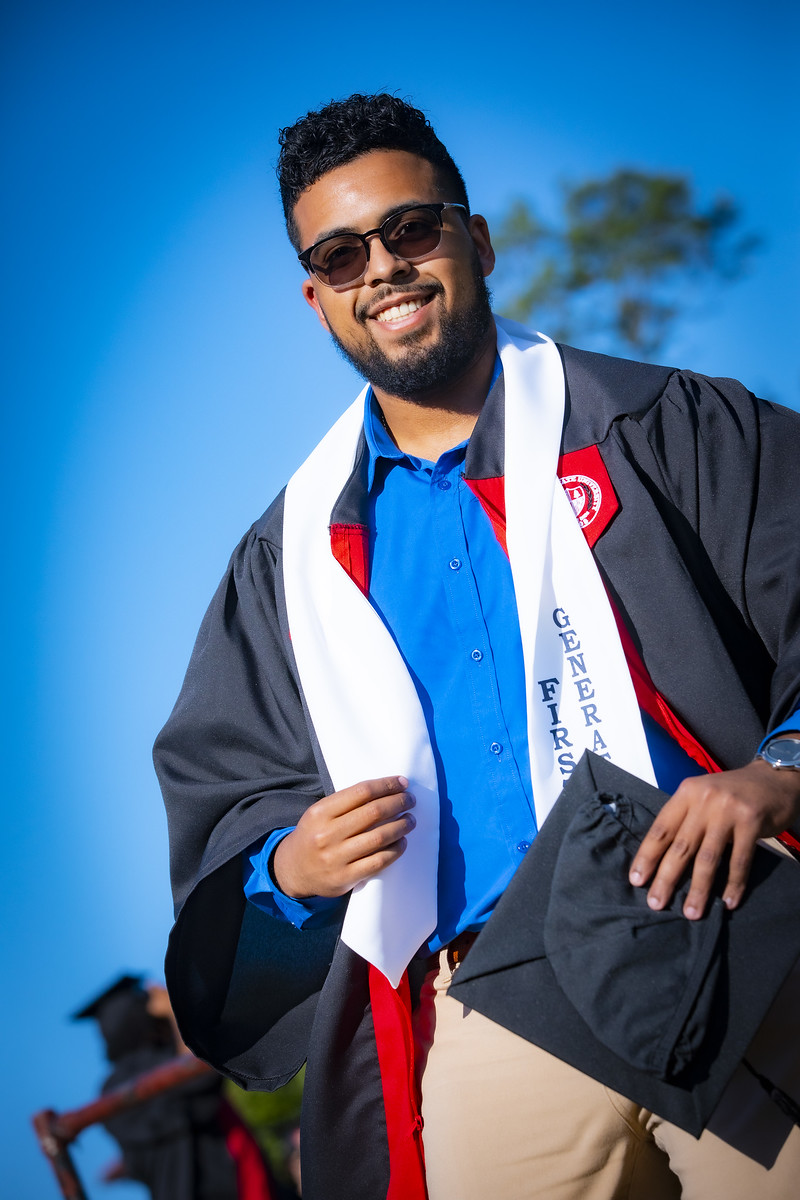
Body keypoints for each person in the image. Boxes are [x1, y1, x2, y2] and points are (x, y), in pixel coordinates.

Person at [154, 93, 800, 1200]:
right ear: (315, 300)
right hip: (497, 1002)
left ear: (474, 239)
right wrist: (288, 868)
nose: (383, 270)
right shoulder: (290, 561)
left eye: (411, 230)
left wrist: (776, 772)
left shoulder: (664, 426)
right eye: (343, 253)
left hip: (722, 927)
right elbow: (230, 791)